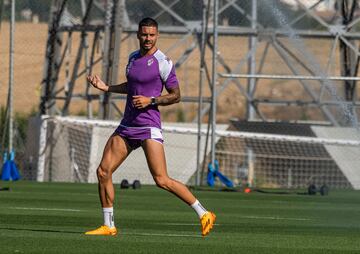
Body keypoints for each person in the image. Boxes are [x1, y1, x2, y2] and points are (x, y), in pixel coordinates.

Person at [85, 17, 216, 237]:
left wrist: (151, 100)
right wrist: (106, 87)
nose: (148, 38)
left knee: (161, 180)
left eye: (152, 35)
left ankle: (204, 213)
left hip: (148, 127)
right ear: (138, 34)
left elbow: (176, 96)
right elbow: (131, 86)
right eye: (144, 34)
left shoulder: (163, 61)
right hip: (127, 125)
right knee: (103, 171)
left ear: (157, 36)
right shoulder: (133, 58)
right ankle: (109, 225)